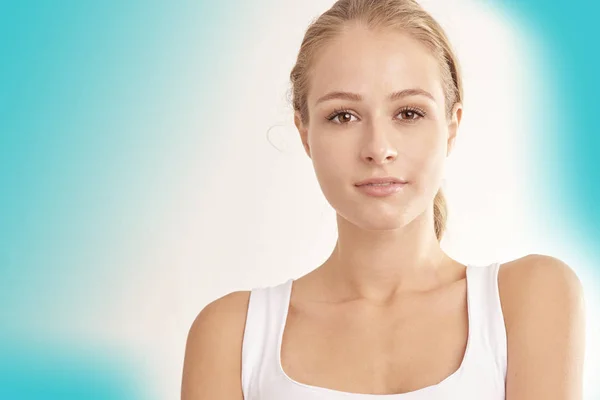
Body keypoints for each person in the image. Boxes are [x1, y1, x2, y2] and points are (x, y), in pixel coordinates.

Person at [181, 0, 586, 398]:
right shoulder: (233, 336)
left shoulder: (529, 298)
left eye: (408, 113)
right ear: (305, 134)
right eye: (344, 116)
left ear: (451, 125)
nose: (378, 148)